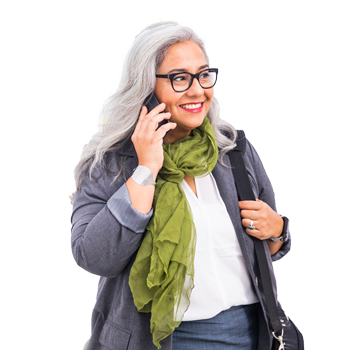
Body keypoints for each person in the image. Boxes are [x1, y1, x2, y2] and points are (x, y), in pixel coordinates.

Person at [70, 21, 291, 350]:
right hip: (160, 340)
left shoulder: (234, 151)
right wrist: (146, 168)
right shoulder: (111, 164)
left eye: (203, 75)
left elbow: (263, 248)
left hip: (250, 333)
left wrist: (278, 230)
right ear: (147, 87)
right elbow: (94, 257)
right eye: (179, 78)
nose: (198, 90)